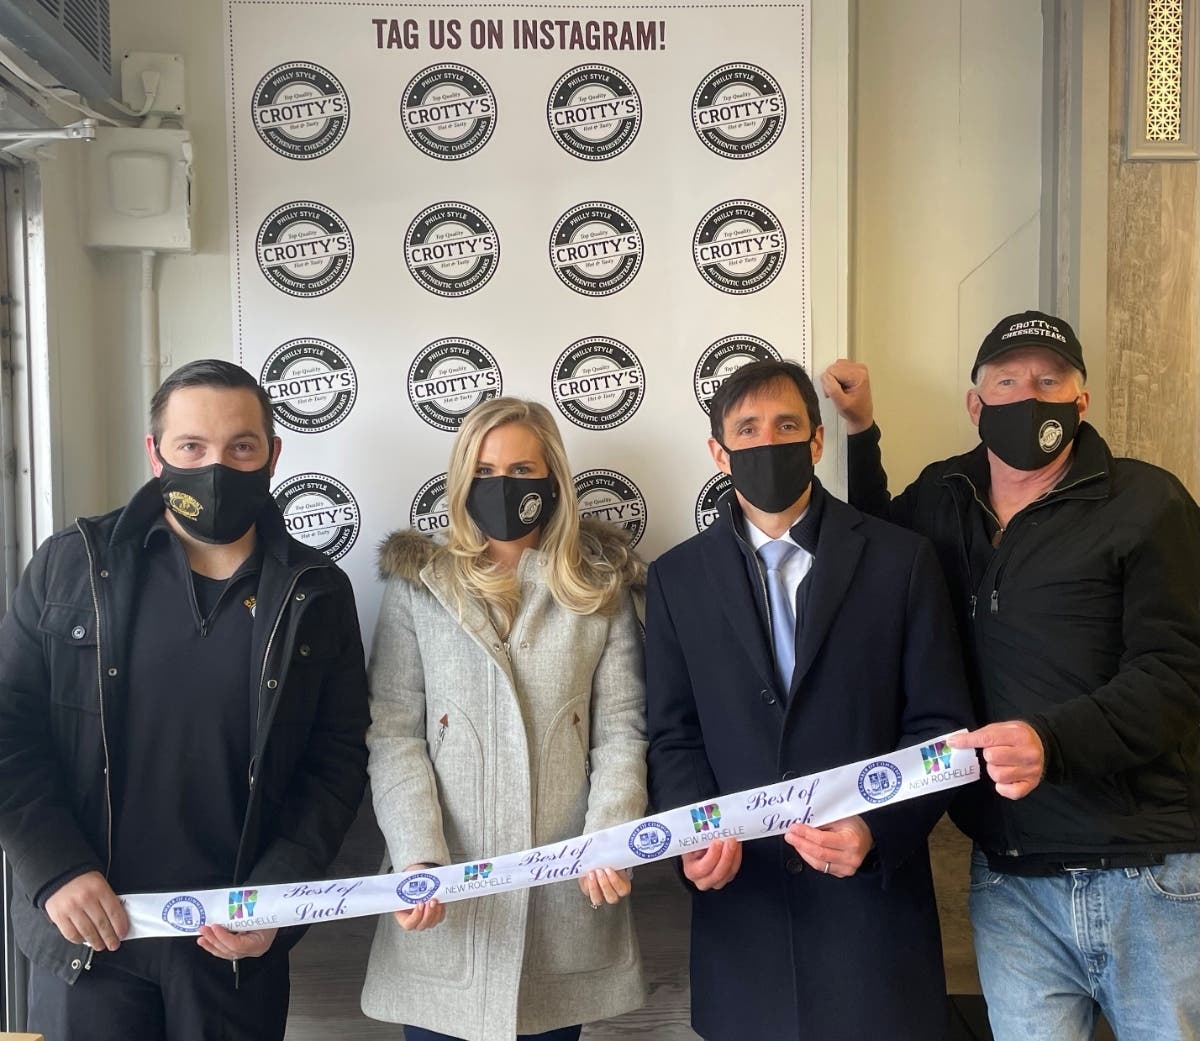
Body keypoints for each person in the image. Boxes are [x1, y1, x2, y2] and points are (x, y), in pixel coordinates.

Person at [822, 309, 1200, 1041]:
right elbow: (879, 553)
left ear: (1080, 400)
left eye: (1049, 379)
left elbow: (1177, 673)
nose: (1029, 394)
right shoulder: (943, 496)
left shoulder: (1150, 502)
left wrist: (1050, 740)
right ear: (976, 403)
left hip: (1146, 875)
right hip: (1010, 880)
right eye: (1007, 380)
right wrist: (862, 433)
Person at [0, 359, 371, 1041]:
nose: (216, 467)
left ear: (272, 455)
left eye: (241, 447)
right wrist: (55, 867)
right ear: (156, 453)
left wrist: (277, 896)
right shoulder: (69, 565)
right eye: (192, 447)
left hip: (231, 952)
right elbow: (9, 732)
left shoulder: (318, 591)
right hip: (89, 944)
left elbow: (338, 760)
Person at [644, 359, 974, 1041]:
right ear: (719, 450)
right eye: (748, 428)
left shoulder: (901, 560)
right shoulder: (676, 579)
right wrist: (697, 832)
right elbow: (673, 735)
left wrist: (879, 831)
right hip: (745, 922)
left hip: (873, 927)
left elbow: (941, 726)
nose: (768, 442)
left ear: (817, 440)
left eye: (787, 425)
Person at [360, 397, 647, 1041]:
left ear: (552, 478)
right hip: (444, 900)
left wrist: (611, 836)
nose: (503, 485)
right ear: (463, 478)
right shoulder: (420, 582)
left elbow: (622, 731)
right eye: (485, 470)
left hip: (565, 894)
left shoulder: (600, 585)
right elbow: (395, 733)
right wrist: (416, 857)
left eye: (522, 468)